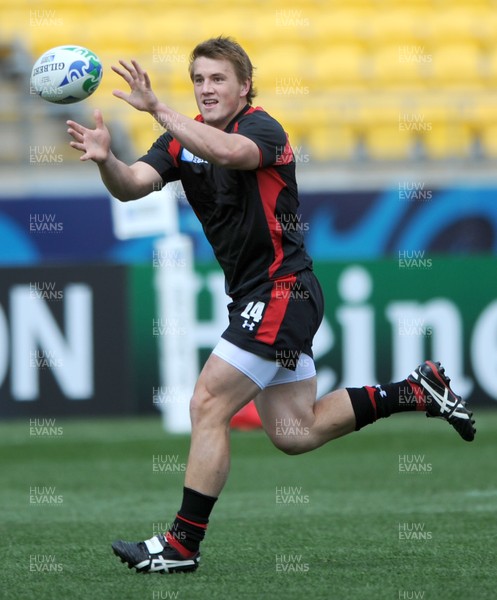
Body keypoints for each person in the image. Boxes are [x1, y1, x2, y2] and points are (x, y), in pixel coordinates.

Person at [67, 36, 476, 575]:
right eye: (199, 79)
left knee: (208, 403)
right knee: (293, 432)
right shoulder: (179, 140)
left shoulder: (262, 128)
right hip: (265, 295)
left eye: (218, 79)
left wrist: (158, 109)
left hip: (283, 290)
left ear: (245, 86)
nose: (206, 89)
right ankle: (413, 390)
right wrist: (106, 160)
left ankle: (181, 545)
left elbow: (228, 153)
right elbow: (132, 186)